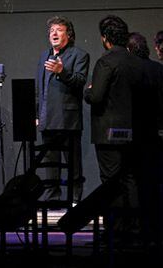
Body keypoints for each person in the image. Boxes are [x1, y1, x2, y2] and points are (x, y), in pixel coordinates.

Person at [84, 15, 143, 245]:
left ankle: (116, 230)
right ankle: (135, 228)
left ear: (105, 38)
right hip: (134, 131)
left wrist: (87, 91)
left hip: (109, 133)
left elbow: (96, 96)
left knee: (111, 182)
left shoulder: (106, 62)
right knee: (131, 180)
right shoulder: (136, 62)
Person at [36, 16, 89, 203]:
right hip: (47, 117)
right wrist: (37, 113)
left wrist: (62, 71)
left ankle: (75, 199)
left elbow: (80, 81)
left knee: (73, 163)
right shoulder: (44, 55)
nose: (54, 34)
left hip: (68, 118)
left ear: (69, 34)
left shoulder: (79, 55)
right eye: (51, 31)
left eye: (59, 30)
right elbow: (40, 86)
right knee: (50, 161)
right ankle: (52, 198)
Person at [127, 32, 163, 251]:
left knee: (141, 183)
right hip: (156, 133)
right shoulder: (158, 69)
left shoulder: (133, 71)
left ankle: (141, 229)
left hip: (139, 134)